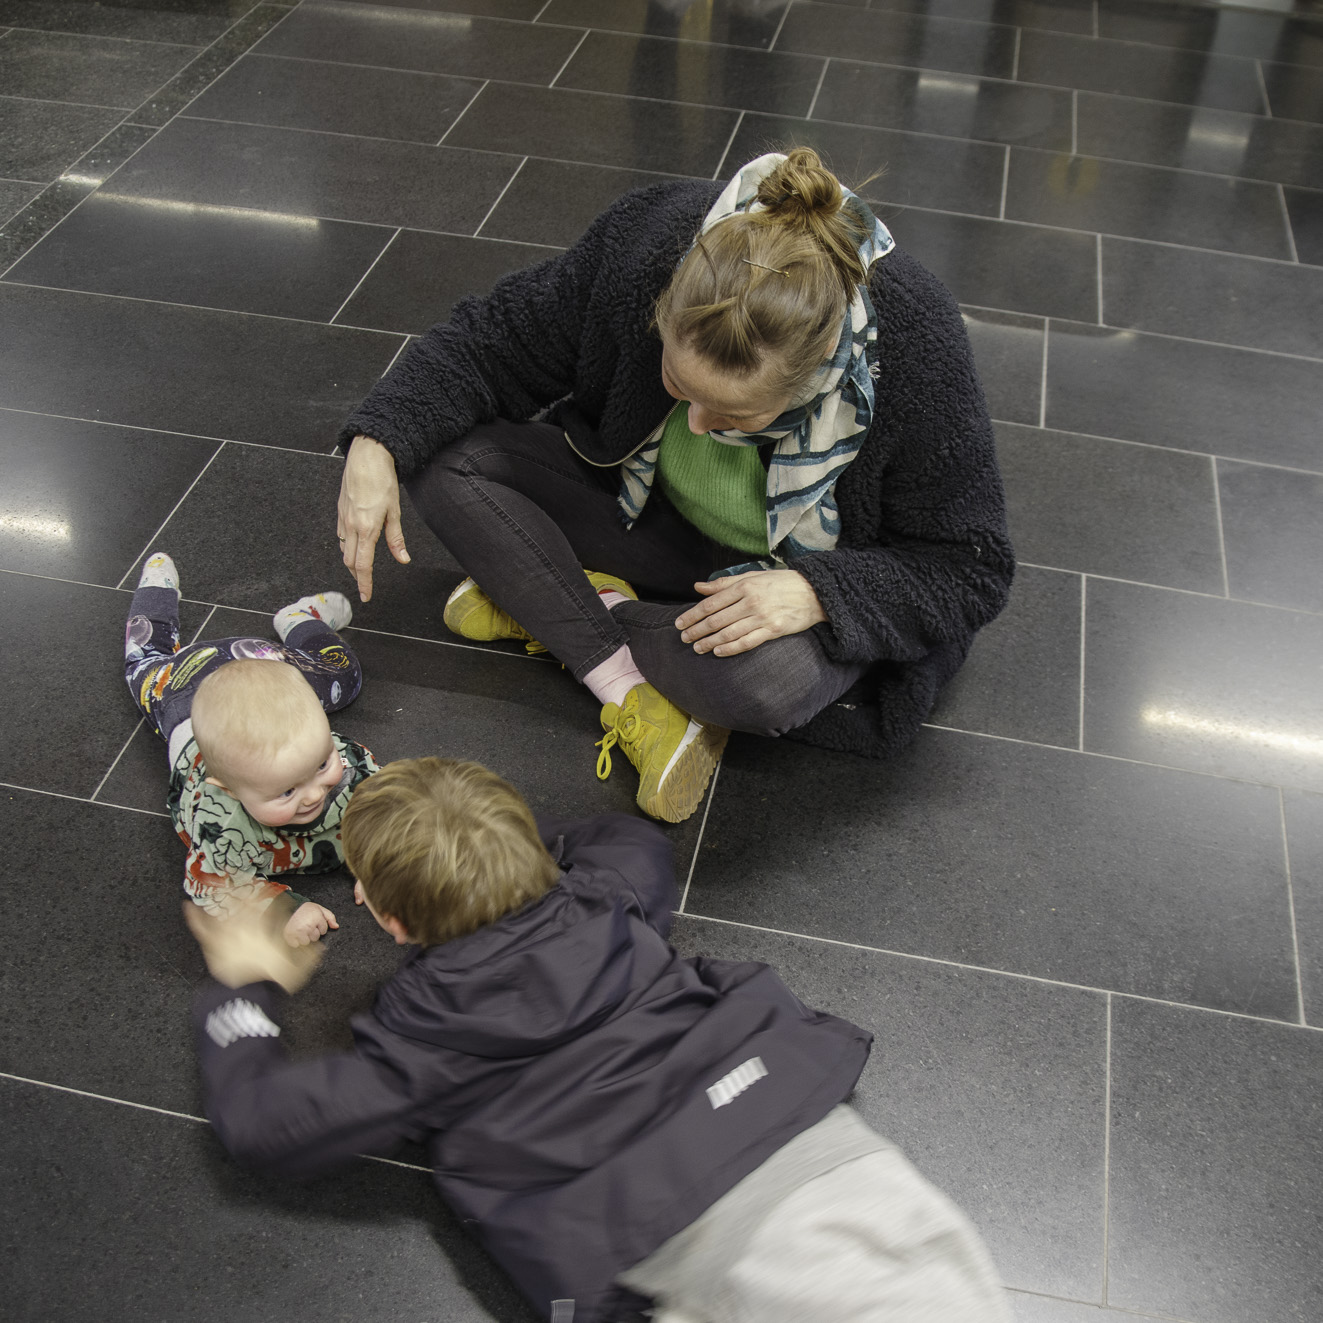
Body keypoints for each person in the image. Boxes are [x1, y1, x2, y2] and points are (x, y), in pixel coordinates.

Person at [187, 757, 1012, 1323]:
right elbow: (631, 839)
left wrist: (243, 988)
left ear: (392, 920)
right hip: (823, 1145)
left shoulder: (422, 1042)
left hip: (671, 1226)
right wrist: (503, 852)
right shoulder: (610, 894)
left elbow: (264, 1123)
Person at [334, 148, 1014, 823]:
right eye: (676, 384)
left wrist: (818, 593)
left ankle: (546, 599)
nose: (696, 424)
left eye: (735, 416)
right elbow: (494, 340)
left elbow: (970, 568)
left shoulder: (915, 339)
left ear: (809, 381)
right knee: (443, 455)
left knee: (764, 686)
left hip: (793, 576)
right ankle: (620, 671)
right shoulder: (649, 239)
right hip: (647, 517)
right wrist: (377, 441)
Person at [124, 552, 379, 946]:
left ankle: (299, 620)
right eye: (287, 791)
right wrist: (282, 910)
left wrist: (381, 861)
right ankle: (157, 590)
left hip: (259, 661)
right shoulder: (220, 820)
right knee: (143, 660)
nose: (315, 794)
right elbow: (210, 884)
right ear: (228, 789)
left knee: (343, 675)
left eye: (321, 764)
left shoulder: (347, 762)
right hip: (181, 689)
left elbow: (386, 804)